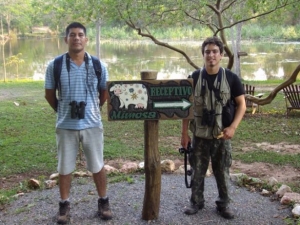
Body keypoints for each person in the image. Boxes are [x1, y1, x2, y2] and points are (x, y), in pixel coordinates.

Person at [44, 22, 112, 224]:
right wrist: (63, 109)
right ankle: (64, 206)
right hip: (66, 125)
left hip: (92, 124)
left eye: (80, 34)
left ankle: (103, 201)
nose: (76, 38)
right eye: (72, 35)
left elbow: (104, 93)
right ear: (66, 39)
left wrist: (92, 108)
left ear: (86, 39)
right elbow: (49, 95)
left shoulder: (99, 65)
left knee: (97, 165)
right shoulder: (55, 65)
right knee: (64, 167)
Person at [181, 36, 246, 219]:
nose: (211, 55)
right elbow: (186, 108)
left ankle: (223, 205)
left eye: (215, 51)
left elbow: (242, 105)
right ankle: (196, 202)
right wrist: (184, 134)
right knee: (196, 171)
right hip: (199, 136)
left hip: (221, 136)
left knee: (222, 172)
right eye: (207, 52)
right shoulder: (193, 78)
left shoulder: (231, 78)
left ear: (221, 55)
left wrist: (233, 127)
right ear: (203, 55)